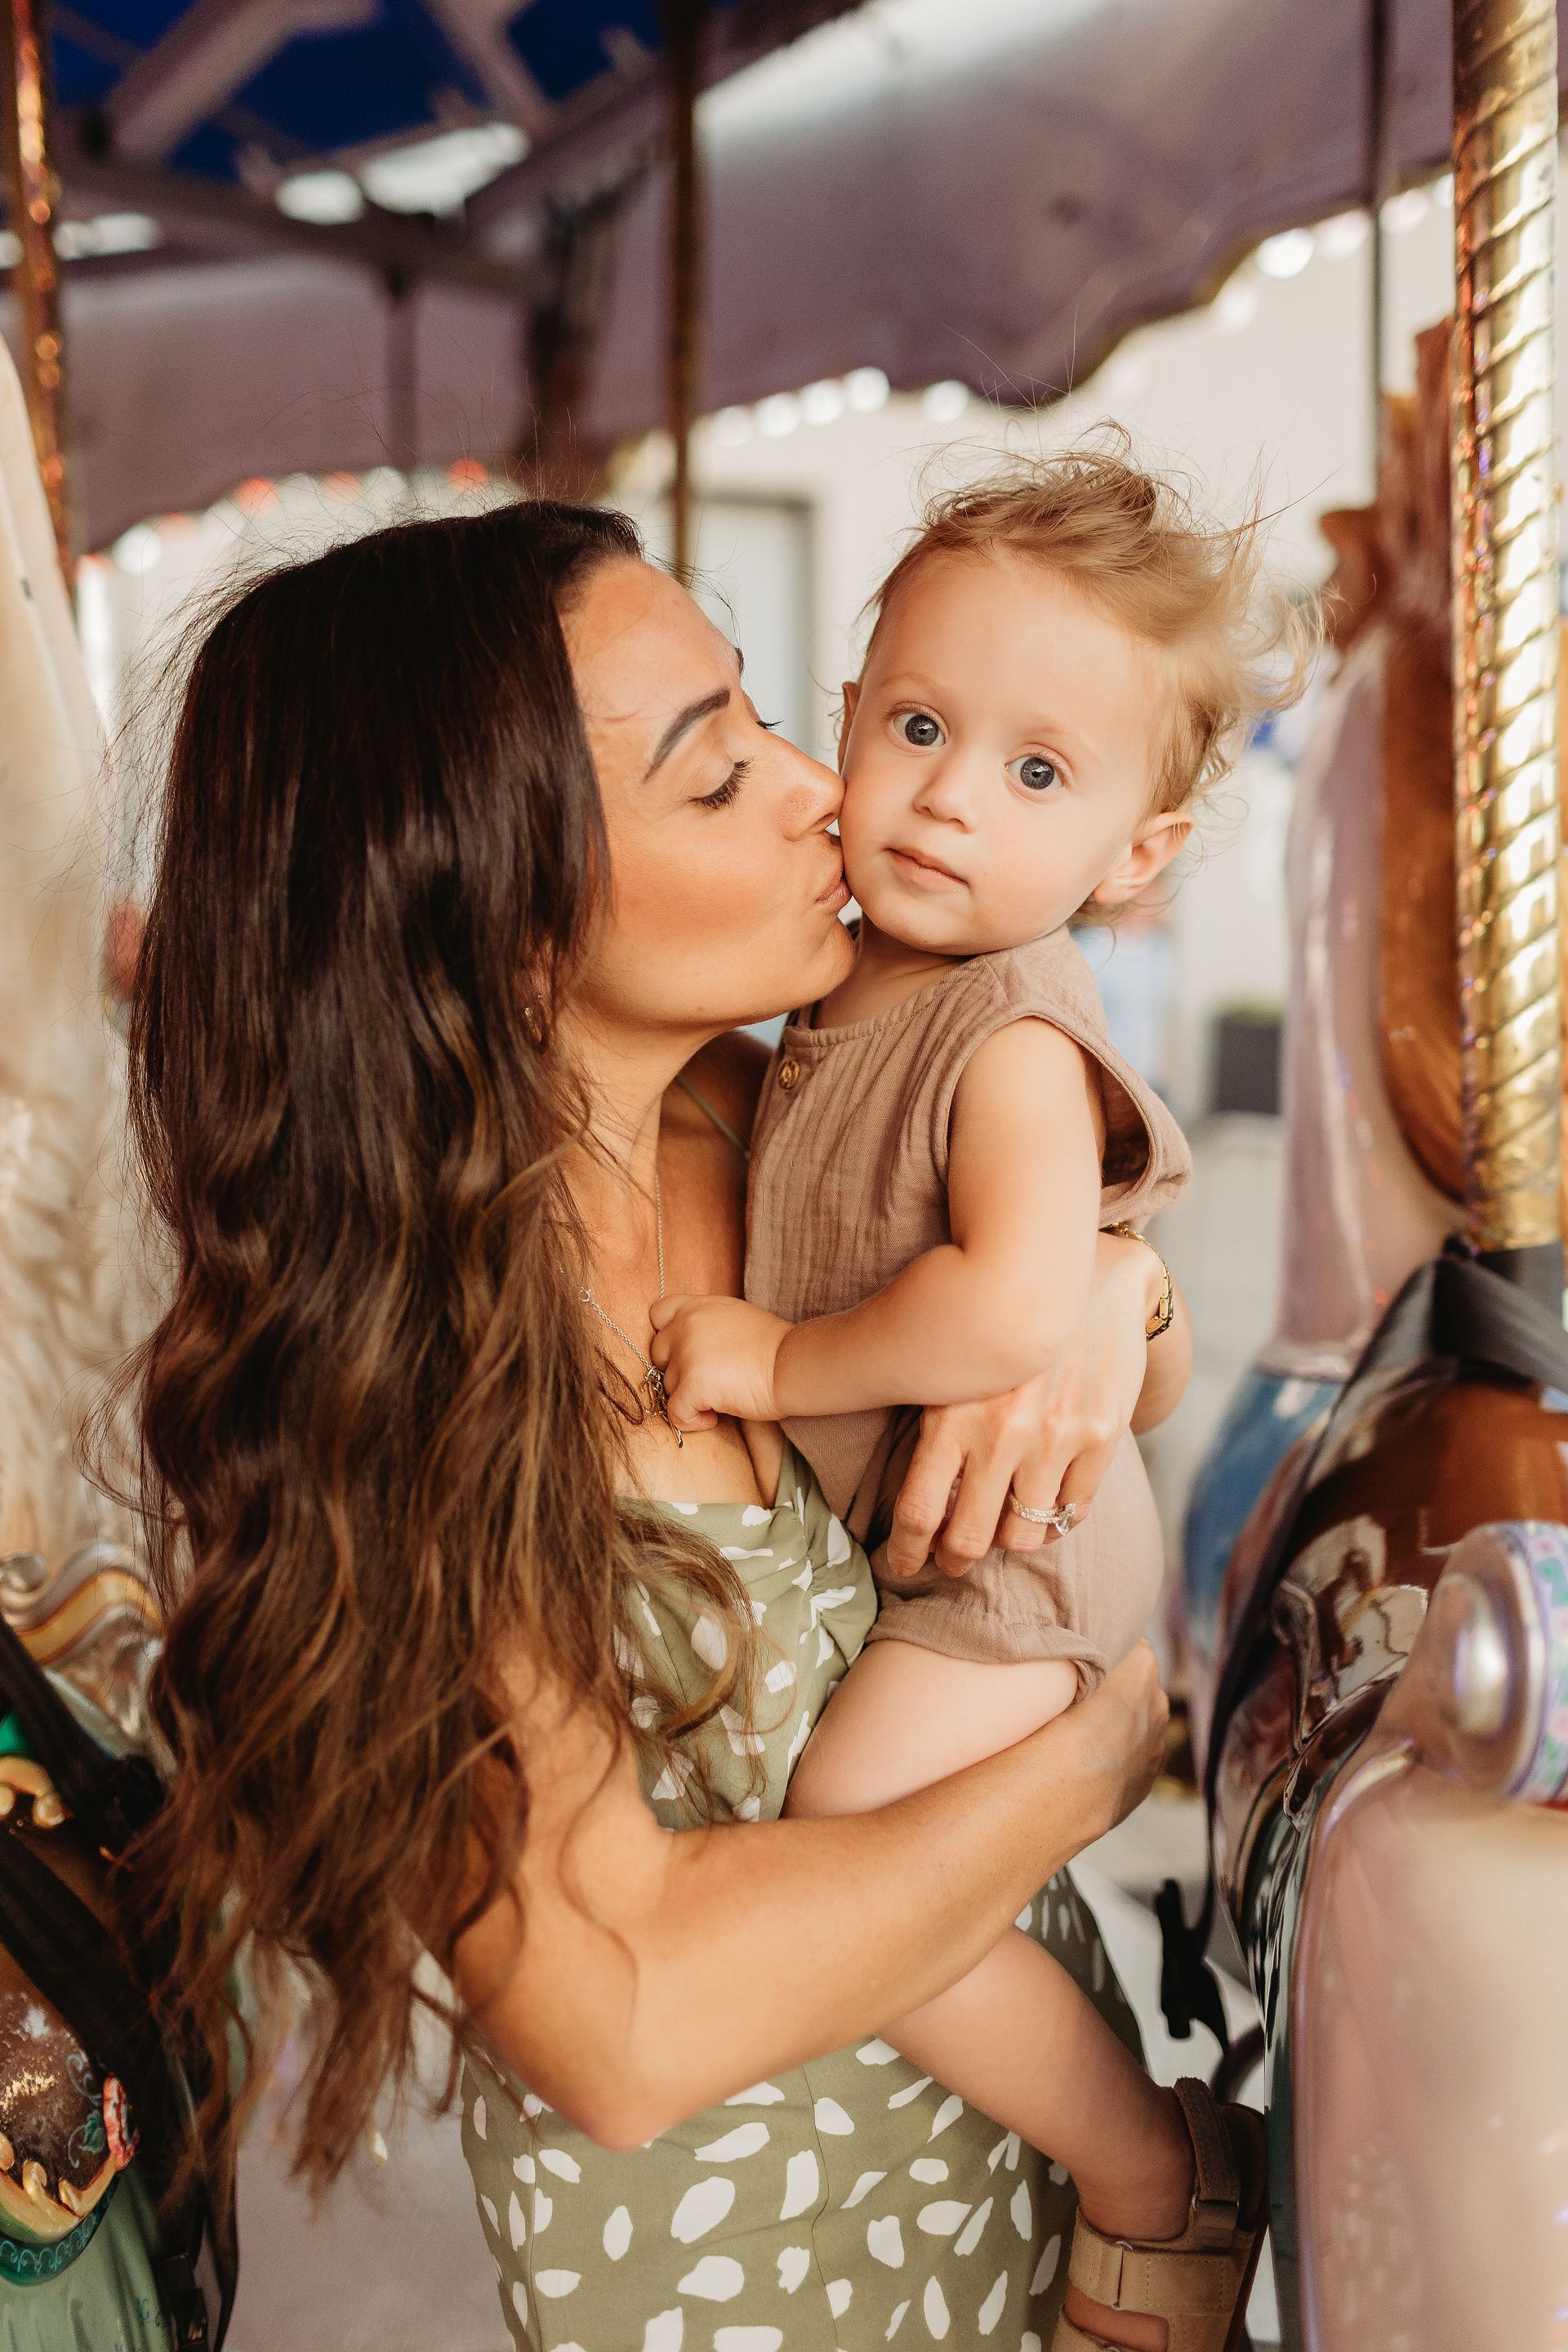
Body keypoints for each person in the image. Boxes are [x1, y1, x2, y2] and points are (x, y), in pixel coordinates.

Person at [122, 498, 1177, 2352]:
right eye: (712, 781)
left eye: (769, 717)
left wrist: (1108, 1296)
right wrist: (1086, 1772)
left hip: (1010, 2213)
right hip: (757, 2294)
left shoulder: (771, 1120)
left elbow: (1059, 1353)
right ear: (497, 923)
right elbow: (620, 2023)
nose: (811, 788)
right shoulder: (412, 1381)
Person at [653, 451, 1313, 2350]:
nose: (949, 796)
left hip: (1010, 1558)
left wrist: (783, 1366)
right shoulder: (839, 983)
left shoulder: (1011, 1026)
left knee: (842, 1848)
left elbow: (1022, 1295)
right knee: (872, 1853)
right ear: (845, 720)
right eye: (921, 726)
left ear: (1137, 853)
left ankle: (1149, 2171)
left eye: (1038, 772)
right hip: (941, 1550)